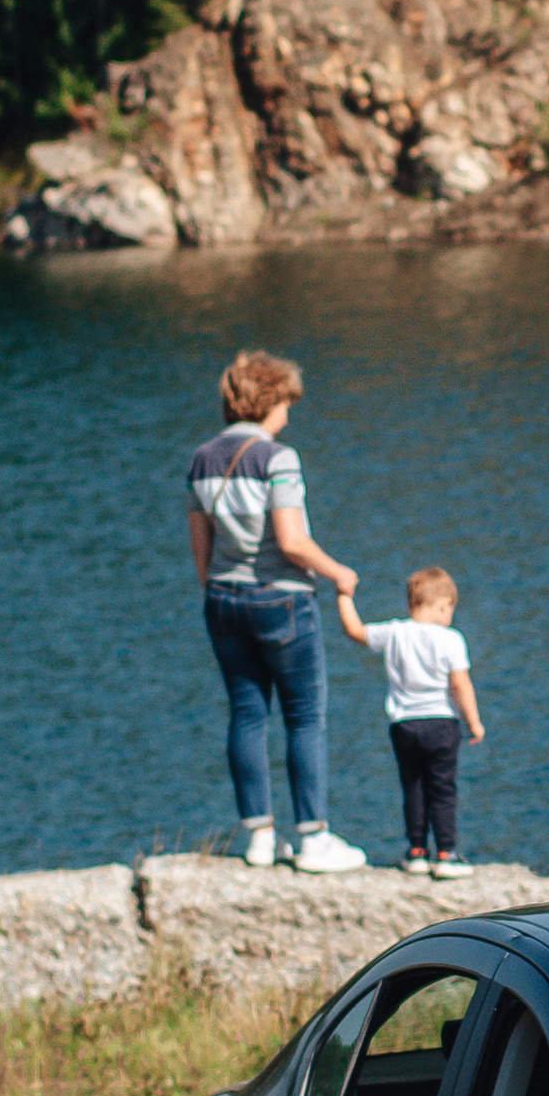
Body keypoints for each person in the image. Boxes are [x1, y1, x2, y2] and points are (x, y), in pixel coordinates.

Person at [185, 350, 368, 872]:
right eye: (286, 402)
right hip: (282, 600)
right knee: (304, 717)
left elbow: (201, 549)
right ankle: (313, 839)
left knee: (246, 713)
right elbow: (292, 541)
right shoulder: (277, 459)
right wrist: (338, 573)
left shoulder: (201, 459)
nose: (288, 414)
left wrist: (218, 593)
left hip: (223, 599)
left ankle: (259, 838)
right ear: (269, 401)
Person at [338, 567, 484, 879]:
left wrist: (343, 594)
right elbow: (460, 684)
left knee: (414, 787)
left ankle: (416, 851)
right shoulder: (451, 639)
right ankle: (447, 853)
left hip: (403, 724)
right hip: (442, 723)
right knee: (442, 788)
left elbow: (354, 630)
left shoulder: (393, 633)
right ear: (444, 604)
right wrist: (473, 722)